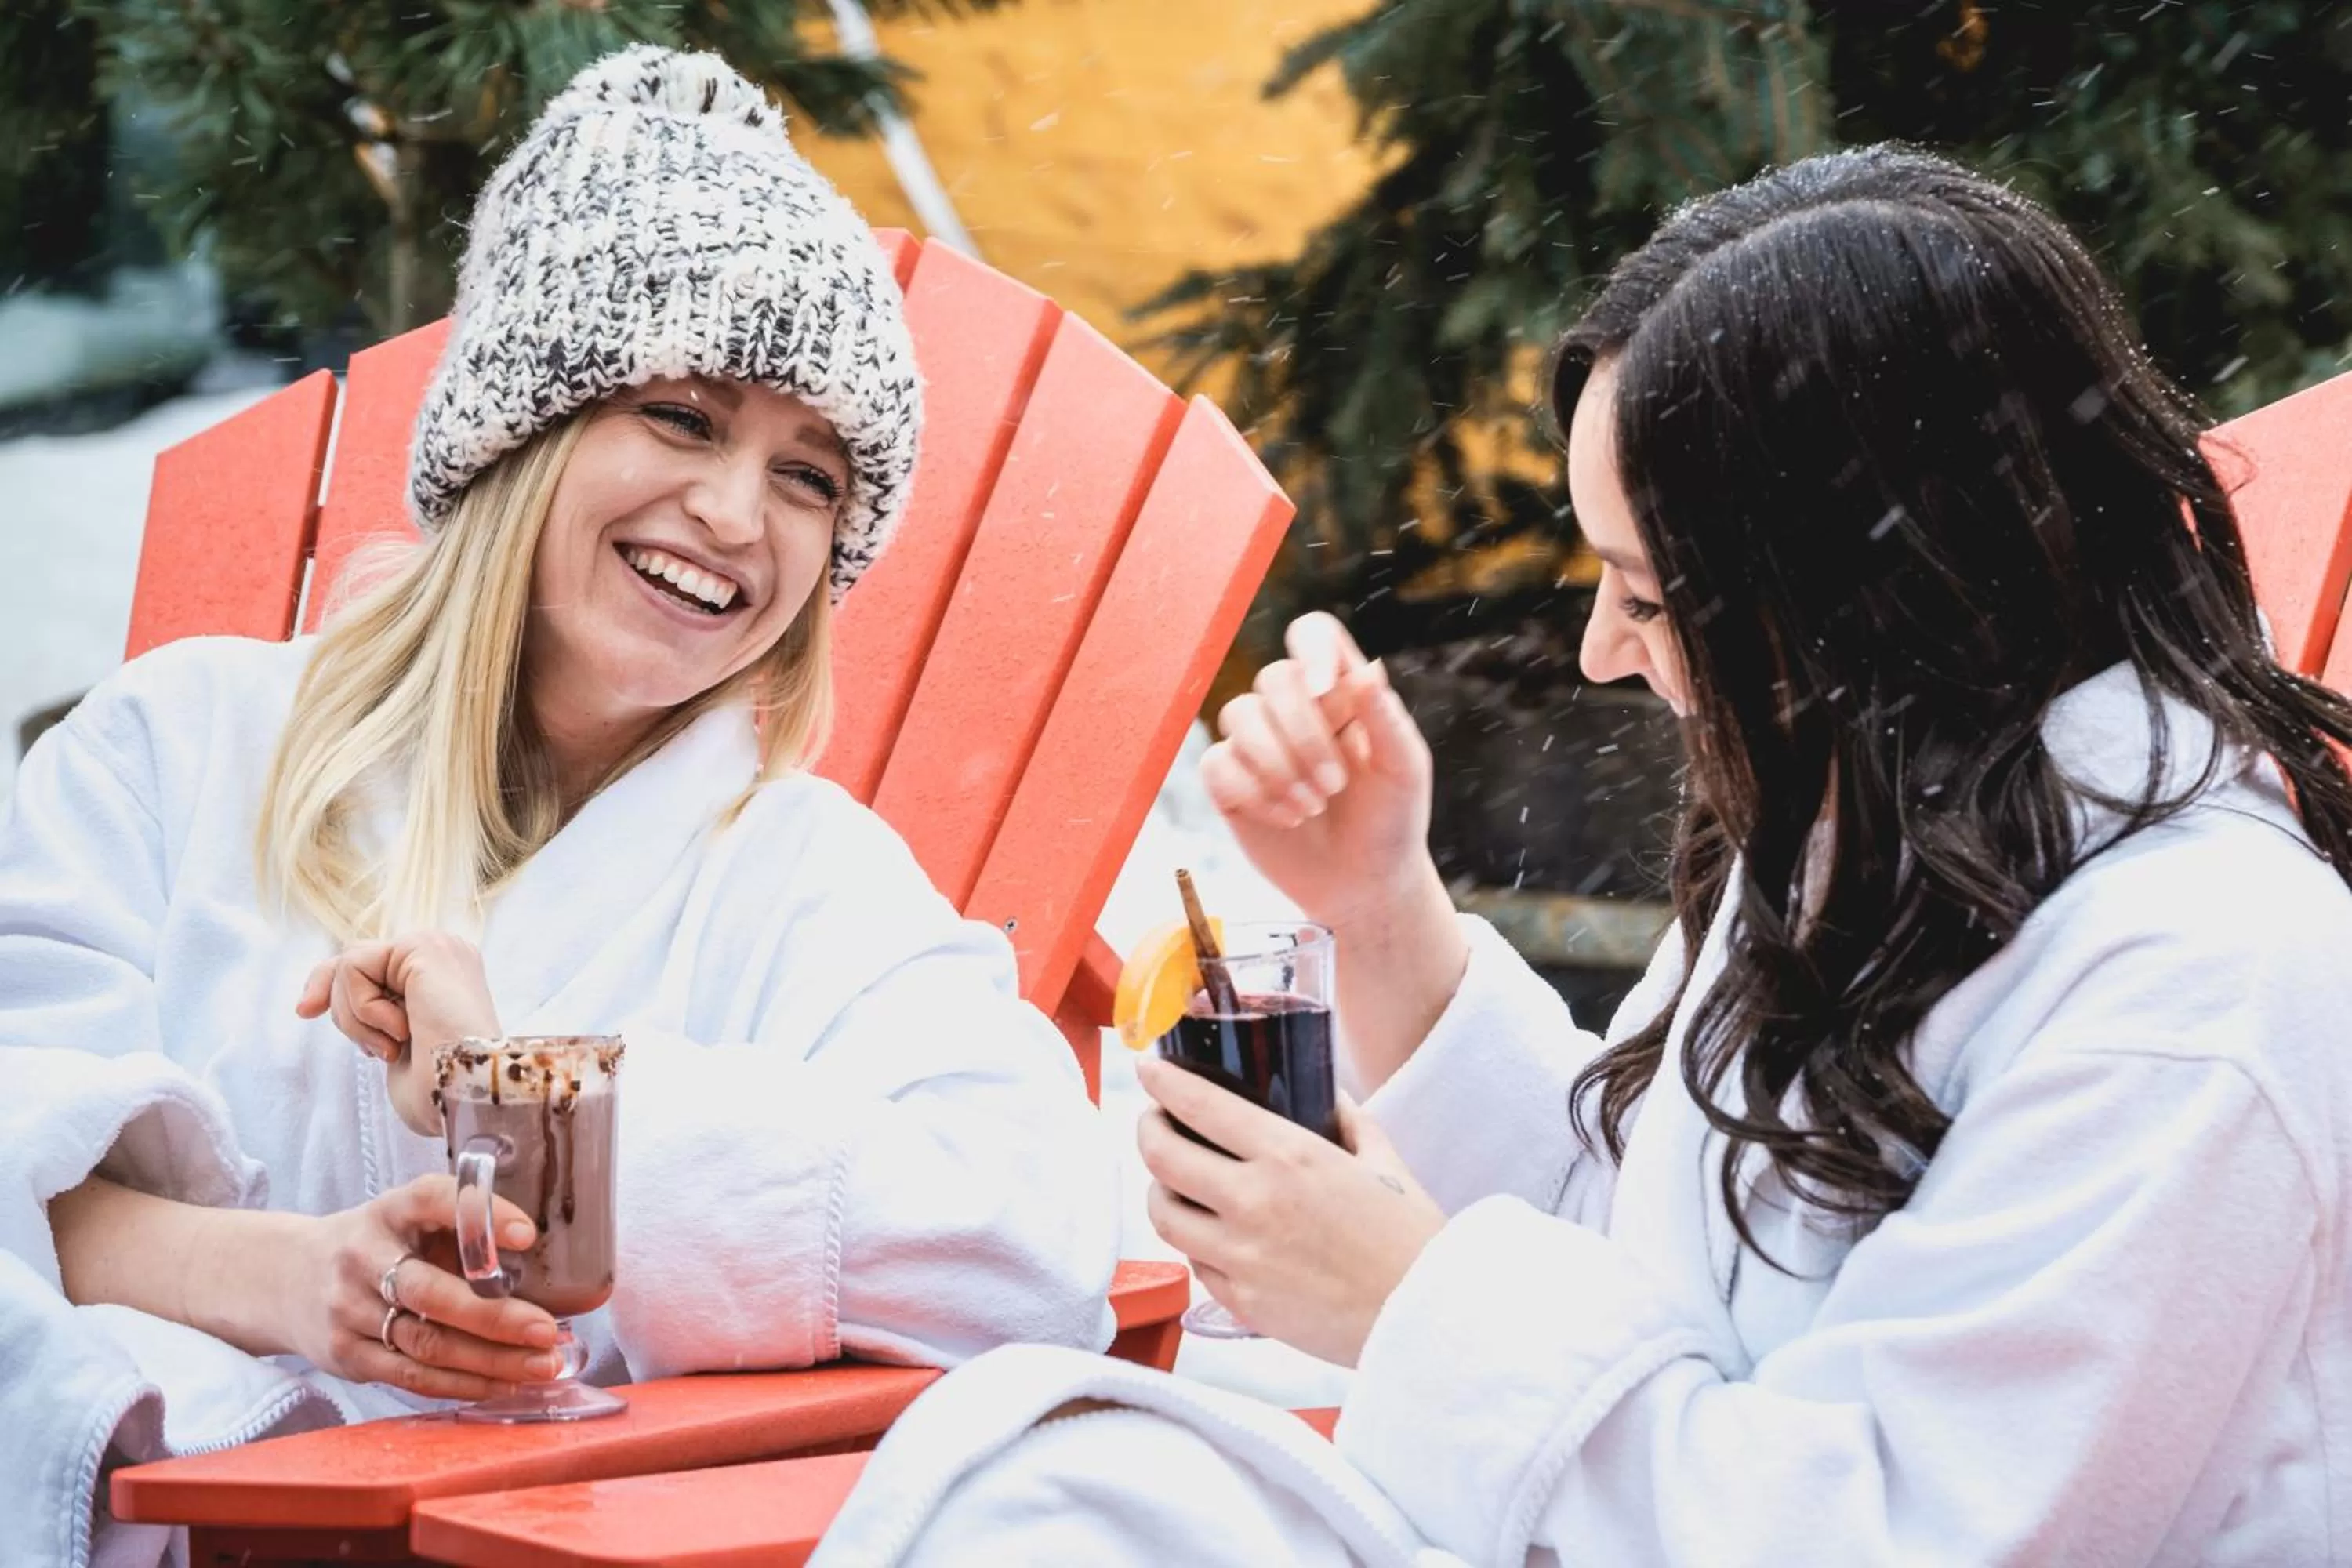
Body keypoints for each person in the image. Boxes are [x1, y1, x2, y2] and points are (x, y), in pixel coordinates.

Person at [811, 146, 2352, 1566]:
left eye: (1650, 591)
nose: (1605, 651)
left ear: (1864, 593)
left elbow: (1908, 1530)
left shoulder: (2192, 987)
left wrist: (1408, 1304)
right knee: (1030, 1490)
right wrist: (1383, 908)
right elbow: (1633, 1251)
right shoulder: (1878, 826)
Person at [0, 45, 1117, 1567]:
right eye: (680, 416)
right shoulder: (172, 751)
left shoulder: (800, 881)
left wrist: (522, 1095)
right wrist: (293, 1282)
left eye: (811, 476)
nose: (737, 516)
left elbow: (1024, 1249)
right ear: (522, 430)